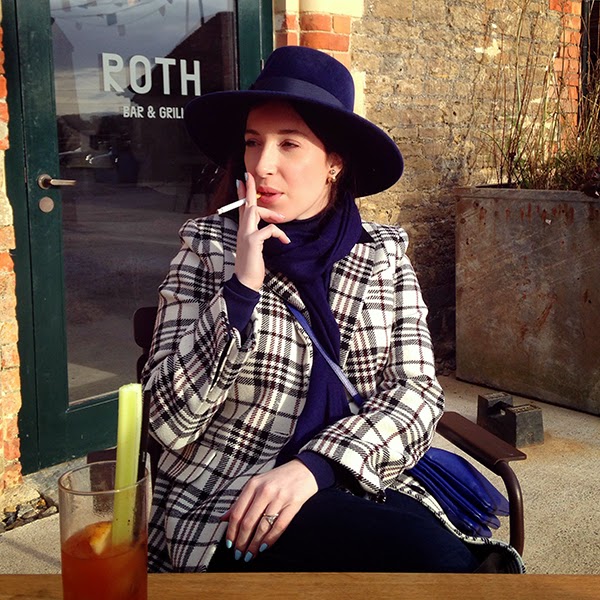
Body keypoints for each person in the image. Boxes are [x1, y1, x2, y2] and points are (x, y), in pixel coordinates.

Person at [143, 46, 525, 574]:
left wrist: (317, 466)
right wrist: (242, 289)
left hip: (358, 477)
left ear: (334, 163)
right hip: (232, 501)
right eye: (252, 142)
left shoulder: (383, 255)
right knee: (428, 559)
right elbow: (167, 422)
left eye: (289, 143)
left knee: (439, 559)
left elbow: (416, 394)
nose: (262, 164)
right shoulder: (206, 248)